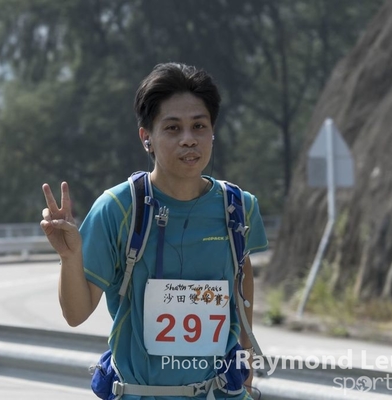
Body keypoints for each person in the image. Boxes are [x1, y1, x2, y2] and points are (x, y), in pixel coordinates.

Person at [41, 62, 268, 399]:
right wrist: (70, 257)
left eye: (199, 126)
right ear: (146, 137)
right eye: (173, 128)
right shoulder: (118, 208)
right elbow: (75, 315)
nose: (188, 140)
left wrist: (246, 363)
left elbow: (242, 278)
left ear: (212, 132)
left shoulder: (238, 207)